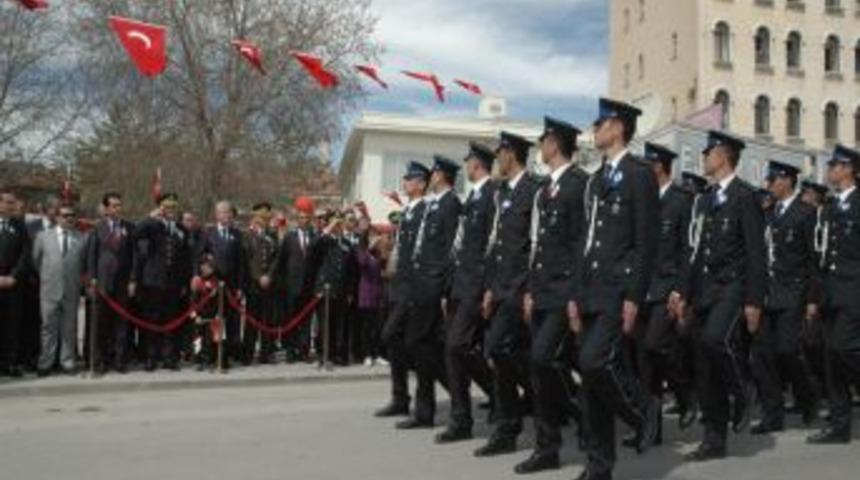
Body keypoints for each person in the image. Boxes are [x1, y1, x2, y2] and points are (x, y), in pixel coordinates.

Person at [568, 98, 661, 480]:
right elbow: (585, 241)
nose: (595, 128)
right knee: (591, 381)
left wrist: (635, 296)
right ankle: (599, 465)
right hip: (590, 288)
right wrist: (574, 294)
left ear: (619, 127)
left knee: (595, 361)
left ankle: (643, 409)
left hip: (617, 288)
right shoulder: (595, 179)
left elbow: (647, 242)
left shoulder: (640, 175)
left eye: (600, 123)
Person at [673, 130, 767, 461]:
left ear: (724, 156)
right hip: (704, 290)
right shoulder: (705, 199)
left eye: (708, 152)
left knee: (716, 340)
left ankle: (743, 389)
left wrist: (754, 301)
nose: (704, 157)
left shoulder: (745, 196)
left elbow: (756, 253)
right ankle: (714, 440)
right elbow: (695, 251)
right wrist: (683, 292)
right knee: (705, 366)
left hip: (731, 287)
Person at [515, 117, 588, 474]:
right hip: (543, 290)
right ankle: (549, 447)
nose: (540, 148)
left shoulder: (579, 184)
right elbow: (538, 245)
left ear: (555, 144)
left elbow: (582, 245)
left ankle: (579, 417)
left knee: (542, 359)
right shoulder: (544, 189)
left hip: (565, 292)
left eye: (543, 141)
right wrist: (530, 289)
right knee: (542, 366)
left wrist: (576, 295)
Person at [622, 143, 698, 449]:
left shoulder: (681, 200)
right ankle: (650, 429)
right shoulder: (643, 202)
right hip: (642, 289)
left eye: (647, 165)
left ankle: (685, 393)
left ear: (658, 167)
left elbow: (688, 251)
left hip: (667, 288)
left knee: (654, 346)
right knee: (643, 362)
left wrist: (681, 290)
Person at [474, 131, 542, 457]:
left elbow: (536, 245)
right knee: (512, 354)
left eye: (499, 152)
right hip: (501, 286)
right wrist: (489, 287)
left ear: (511, 154)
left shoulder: (534, 189)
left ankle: (509, 426)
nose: (496, 158)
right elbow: (496, 245)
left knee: (498, 349)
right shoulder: (502, 192)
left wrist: (529, 289)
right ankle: (546, 407)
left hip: (520, 287)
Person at [750, 161, 821, 434]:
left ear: (788, 181)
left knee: (787, 350)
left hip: (793, 292)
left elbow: (814, 260)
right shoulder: (767, 212)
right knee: (763, 355)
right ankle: (772, 414)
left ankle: (808, 395)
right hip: (766, 292)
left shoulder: (805, 213)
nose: (769, 185)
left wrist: (812, 299)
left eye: (773, 180)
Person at [435, 142, 497, 444]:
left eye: (469, 159)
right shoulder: (473, 196)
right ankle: (466, 416)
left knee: (456, 346)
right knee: (455, 349)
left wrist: (487, 287)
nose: (465, 164)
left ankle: (490, 401)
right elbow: (459, 249)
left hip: (476, 285)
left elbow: (491, 246)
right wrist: (448, 288)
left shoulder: (492, 195)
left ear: (478, 163)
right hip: (460, 285)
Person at [396, 155, 461, 429]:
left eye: (433, 172)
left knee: (422, 345)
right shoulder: (435, 204)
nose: (430, 176)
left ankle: (442, 406)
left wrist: (445, 288)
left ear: (441, 176)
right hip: (420, 285)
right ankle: (428, 409)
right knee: (423, 348)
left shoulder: (450, 204)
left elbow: (452, 250)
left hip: (433, 288)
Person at [807, 145, 860, 444]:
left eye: (835, 165)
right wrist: (814, 298)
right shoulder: (827, 207)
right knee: (831, 358)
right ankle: (840, 426)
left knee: (843, 350)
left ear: (849, 169)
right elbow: (822, 255)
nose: (829, 170)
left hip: (854, 290)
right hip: (829, 292)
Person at [374, 161, 430, 418]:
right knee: (396, 341)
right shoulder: (408, 211)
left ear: (421, 184)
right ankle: (400, 398)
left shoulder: (425, 210)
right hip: (398, 286)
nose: (405, 182)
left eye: (409, 178)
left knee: (395, 337)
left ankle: (427, 393)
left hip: (412, 288)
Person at [132, 193, 194, 371]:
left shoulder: (181, 229)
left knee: (171, 321)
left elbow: (186, 258)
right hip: (153, 282)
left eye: (173, 207)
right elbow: (135, 233)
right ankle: (150, 357)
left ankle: (169, 357)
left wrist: (185, 282)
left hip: (174, 283)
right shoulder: (152, 226)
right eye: (167, 207)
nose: (170, 210)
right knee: (152, 320)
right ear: (161, 208)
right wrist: (149, 217)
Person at [32, 203, 86, 376]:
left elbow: (83, 264)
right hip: (49, 290)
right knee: (48, 328)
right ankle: (46, 362)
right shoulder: (43, 236)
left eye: (72, 215)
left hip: (71, 289)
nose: (69, 218)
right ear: (57, 217)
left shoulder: (81, 238)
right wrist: (48, 277)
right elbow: (36, 261)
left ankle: (67, 362)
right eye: (65, 215)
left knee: (69, 328)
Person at [85, 192, 136, 374]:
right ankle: (101, 360)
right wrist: (92, 279)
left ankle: (119, 360)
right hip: (102, 283)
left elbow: (134, 256)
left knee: (121, 324)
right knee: (102, 323)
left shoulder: (128, 227)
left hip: (122, 282)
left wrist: (132, 280)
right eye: (114, 206)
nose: (117, 209)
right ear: (106, 208)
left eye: (119, 205)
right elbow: (92, 255)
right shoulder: (97, 228)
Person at [199, 201, 247, 365]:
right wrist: (206, 271)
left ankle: (228, 354)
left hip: (231, 286)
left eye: (228, 212)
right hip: (214, 286)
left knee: (231, 321)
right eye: (223, 212)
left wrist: (240, 286)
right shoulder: (209, 233)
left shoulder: (237, 234)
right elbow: (201, 256)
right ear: (217, 215)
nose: (226, 215)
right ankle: (213, 355)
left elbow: (241, 263)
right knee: (215, 321)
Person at [279, 197, 317, 363]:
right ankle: (290, 351)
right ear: (297, 219)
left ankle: (304, 351)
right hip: (292, 286)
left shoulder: (315, 237)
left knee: (306, 321)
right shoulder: (290, 237)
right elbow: (281, 261)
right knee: (291, 319)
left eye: (307, 218)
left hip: (309, 287)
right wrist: (282, 284)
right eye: (301, 218)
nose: (304, 220)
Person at [242, 202, 280, 364]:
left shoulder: (272, 235)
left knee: (267, 319)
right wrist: (259, 277)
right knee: (251, 320)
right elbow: (246, 260)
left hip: (269, 284)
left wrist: (269, 276)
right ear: (254, 217)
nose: (263, 220)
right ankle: (248, 353)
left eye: (266, 217)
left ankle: (266, 353)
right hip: (253, 284)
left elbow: (276, 259)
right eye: (260, 217)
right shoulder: (247, 236)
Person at [0, 188, 30, 377]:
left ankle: (9, 363)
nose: (12, 206)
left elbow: (25, 255)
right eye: (8, 202)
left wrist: (13, 276)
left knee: (11, 325)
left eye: (13, 202)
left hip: (13, 284)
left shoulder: (20, 226)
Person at [190, 254, 222, 371]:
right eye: (203, 265)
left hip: (212, 316)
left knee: (210, 339)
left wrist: (218, 314)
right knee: (198, 339)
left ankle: (209, 359)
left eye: (208, 266)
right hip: (200, 316)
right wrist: (195, 315)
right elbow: (193, 300)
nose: (205, 268)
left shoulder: (216, 282)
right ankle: (198, 359)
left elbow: (219, 300)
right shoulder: (198, 281)